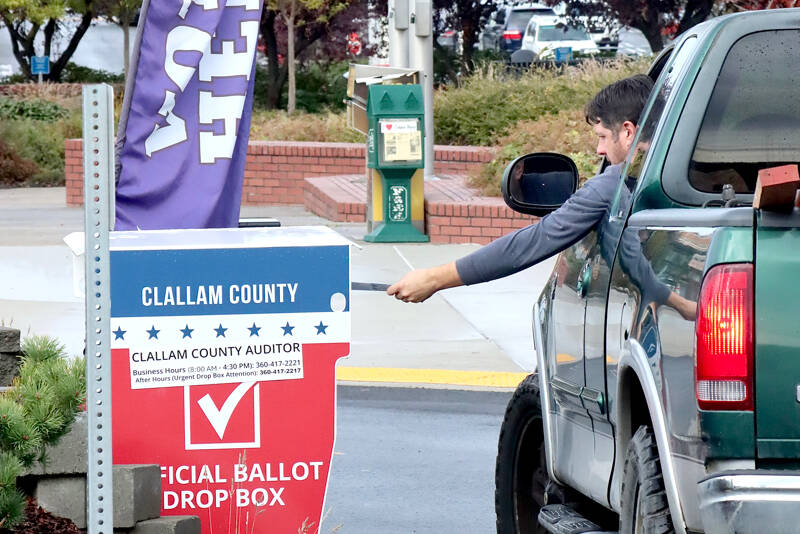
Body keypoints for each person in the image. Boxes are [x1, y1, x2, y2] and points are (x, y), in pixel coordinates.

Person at [387, 74, 696, 321]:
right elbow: (637, 262)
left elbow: (529, 243)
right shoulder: (697, 176)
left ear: (628, 131)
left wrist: (434, 278)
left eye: (602, 137)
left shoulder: (611, 187)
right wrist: (680, 304)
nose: (600, 151)